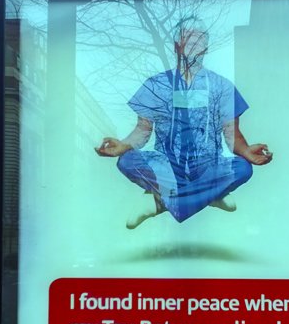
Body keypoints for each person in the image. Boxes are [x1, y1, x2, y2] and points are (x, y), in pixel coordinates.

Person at [95, 16, 273, 229]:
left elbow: (231, 133)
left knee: (243, 168)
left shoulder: (222, 87)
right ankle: (208, 196)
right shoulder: (156, 85)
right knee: (126, 161)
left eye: (199, 41)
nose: (193, 44)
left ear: (206, 48)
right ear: (176, 46)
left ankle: (160, 202)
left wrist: (245, 151)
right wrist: (123, 145)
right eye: (187, 39)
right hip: (166, 167)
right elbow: (143, 130)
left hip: (207, 165)